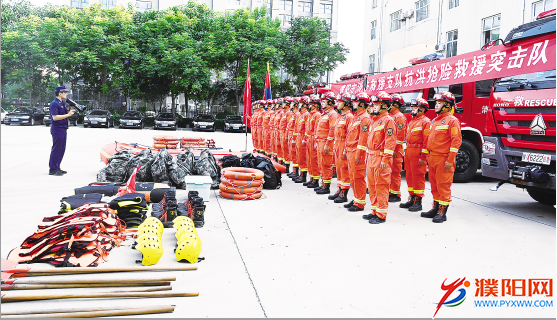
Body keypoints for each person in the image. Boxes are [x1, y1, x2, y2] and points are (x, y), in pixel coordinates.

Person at [421, 91, 462, 223]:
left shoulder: (452, 121)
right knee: (434, 185)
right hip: (433, 158)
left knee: (443, 185)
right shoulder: (435, 121)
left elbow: (456, 142)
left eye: (440, 103)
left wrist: (450, 160)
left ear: (448, 105)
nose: (436, 105)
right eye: (437, 102)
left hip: (444, 159)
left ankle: (442, 212)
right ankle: (435, 207)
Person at [362, 91, 396, 224]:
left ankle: (381, 214)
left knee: (381, 185)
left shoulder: (388, 121)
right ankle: (374, 210)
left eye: (376, 105)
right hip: (372, 156)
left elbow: (390, 141)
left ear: (384, 106)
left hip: (381, 157)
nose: (373, 107)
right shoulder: (375, 121)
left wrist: (386, 159)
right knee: (372, 185)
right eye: (373, 104)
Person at [399, 98, 431, 212]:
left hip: (418, 152)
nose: (413, 109)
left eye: (415, 107)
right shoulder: (413, 121)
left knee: (418, 176)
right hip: (409, 150)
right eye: (412, 107)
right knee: (409, 176)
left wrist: (423, 156)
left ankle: (418, 201)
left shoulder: (426, 122)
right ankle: (411, 197)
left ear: (422, 109)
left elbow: (427, 140)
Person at [344, 92, 372, 212]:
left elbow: (363, 138)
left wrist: (359, 154)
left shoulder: (365, 118)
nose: (353, 104)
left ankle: (360, 202)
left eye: (355, 102)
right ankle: (356, 198)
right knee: (352, 177)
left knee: (358, 177)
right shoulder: (356, 117)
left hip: (357, 151)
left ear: (361, 103)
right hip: (351, 150)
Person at [328, 93, 354, 203]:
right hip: (338, 143)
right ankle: (339, 188)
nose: (337, 104)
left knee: (344, 169)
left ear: (346, 104)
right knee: (339, 168)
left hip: (344, 144)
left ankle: (344, 193)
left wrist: (345, 149)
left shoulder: (349, 117)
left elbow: (350, 135)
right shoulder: (340, 116)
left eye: (340, 102)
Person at [314, 92, 339, 195]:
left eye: (324, 101)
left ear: (330, 102)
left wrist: (328, 144)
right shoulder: (324, 114)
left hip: (326, 142)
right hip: (320, 142)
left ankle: (326, 186)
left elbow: (332, 130)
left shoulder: (332, 114)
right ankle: (323, 184)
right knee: (321, 164)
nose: (322, 103)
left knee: (326, 164)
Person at [49, 85, 75, 176]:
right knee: (56, 149)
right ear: (60, 93)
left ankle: (57, 167)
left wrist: (69, 112)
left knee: (62, 149)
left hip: (63, 128)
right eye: (65, 92)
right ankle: (52, 169)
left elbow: (62, 114)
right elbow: (55, 117)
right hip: (57, 128)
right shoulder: (54, 103)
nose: (66, 94)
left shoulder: (62, 103)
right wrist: (68, 115)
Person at [388, 93, 408, 203]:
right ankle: (390, 192)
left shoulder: (399, 117)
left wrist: (395, 150)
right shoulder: (390, 116)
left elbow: (400, 136)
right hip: (390, 149)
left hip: (395, 150)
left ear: (396, 104)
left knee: (395, 172)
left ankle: (396, 193)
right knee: (389, 172)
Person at [304, 95, 322, 188]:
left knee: (314, 160)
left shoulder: (317, 115)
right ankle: (311, 178)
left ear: (315, 105)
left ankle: (316, 179)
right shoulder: (311, 115)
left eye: (311, 104)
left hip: (313, 139)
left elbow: (316, 130)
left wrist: (315, 141)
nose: (309, 106)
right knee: (310, 159)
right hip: (309, 139)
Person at [293, 97, 310, 183]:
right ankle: (301, 174)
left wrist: (304, 139)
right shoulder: (301, 115)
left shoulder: (306, 114)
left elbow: (307, 128)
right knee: (299, 156)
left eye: (300, 103)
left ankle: (303, 176)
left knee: (303, 157)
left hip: (303, 137)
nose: (298, 105)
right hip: (299, 137)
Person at [287, 98, 300, 178]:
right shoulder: (294, 114)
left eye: (291, 103)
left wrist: (294, 138)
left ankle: (296, 171)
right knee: (293, 153)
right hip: (291, 134)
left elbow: (296, 128)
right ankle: (294, 170)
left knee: (295, 154)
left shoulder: (297, 114)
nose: (290, 105)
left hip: (294, 135)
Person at [279, 98, 291, 171]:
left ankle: (287, 168)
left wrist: (286, 135)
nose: (281, 105)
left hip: (285, 132)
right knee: (282, 149)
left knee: (286, 150)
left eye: (283, 103)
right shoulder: (284, 112)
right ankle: (283, 165)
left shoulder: (288, 113)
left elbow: (289, 125)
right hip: (281, 132)